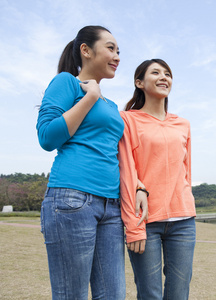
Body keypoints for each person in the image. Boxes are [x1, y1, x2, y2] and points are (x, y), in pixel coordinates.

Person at [36, 25, 147, 299]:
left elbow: (118, 153)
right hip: (72, 200)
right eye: (110, 48)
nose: (117, 56)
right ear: (86, 50)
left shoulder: (111, 106)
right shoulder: (67, 83)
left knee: (113, 295)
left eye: (119, 51)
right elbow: (47, 137)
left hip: (111, 206)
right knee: (71, 295)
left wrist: (139, 186)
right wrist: (90, 97)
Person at [118, 59, 197, 299]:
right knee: (149, 294)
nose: (164, 77)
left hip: (183, 220)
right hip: (146, 220)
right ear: (139, 82)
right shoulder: (126, 120)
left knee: (179, 294)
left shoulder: (183, 124)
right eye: (156, 73)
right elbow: (125, 167)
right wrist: (133, 225)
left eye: (168, 74)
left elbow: (186, 171)